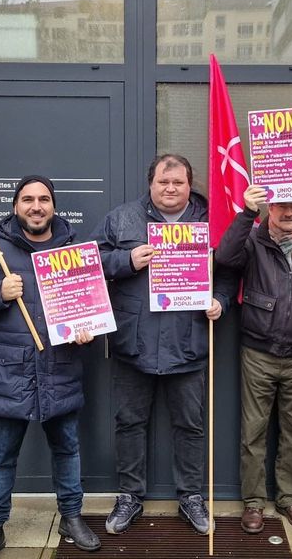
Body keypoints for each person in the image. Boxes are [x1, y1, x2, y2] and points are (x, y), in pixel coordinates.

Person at [0, 175, 102, 558]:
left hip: (60, 369)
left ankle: (72, 517)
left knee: (67, 450)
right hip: (8, 374)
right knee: (2, 455)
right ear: (16, 206)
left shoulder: (75, 248)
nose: (37, 206)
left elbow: (92, 305)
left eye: (44, 199)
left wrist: (87, 330)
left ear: (54, 206)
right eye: (28, 199)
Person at [95, 154, 232, 536]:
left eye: (178, 183)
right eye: (162, 182)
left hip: (187, 343)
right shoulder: (121, 219)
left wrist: (219, 299)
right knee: (129, 423)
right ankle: (129, 496)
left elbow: (229, 271)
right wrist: (126, 259)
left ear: (190, 185)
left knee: (190, 426)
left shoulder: (210, 222)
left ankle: (191, 496)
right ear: (150, 183)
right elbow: (91, 264)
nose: (170, 189)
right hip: (133, 343)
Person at [217, 184, 292, 534]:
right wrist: (246, 213)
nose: (289, 212)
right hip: (258, 352)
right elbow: (223, 257)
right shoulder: (252, 241)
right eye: (281, 205)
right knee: (253, 432)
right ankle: (254, 503)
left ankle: (289, 498)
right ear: (271, 208)